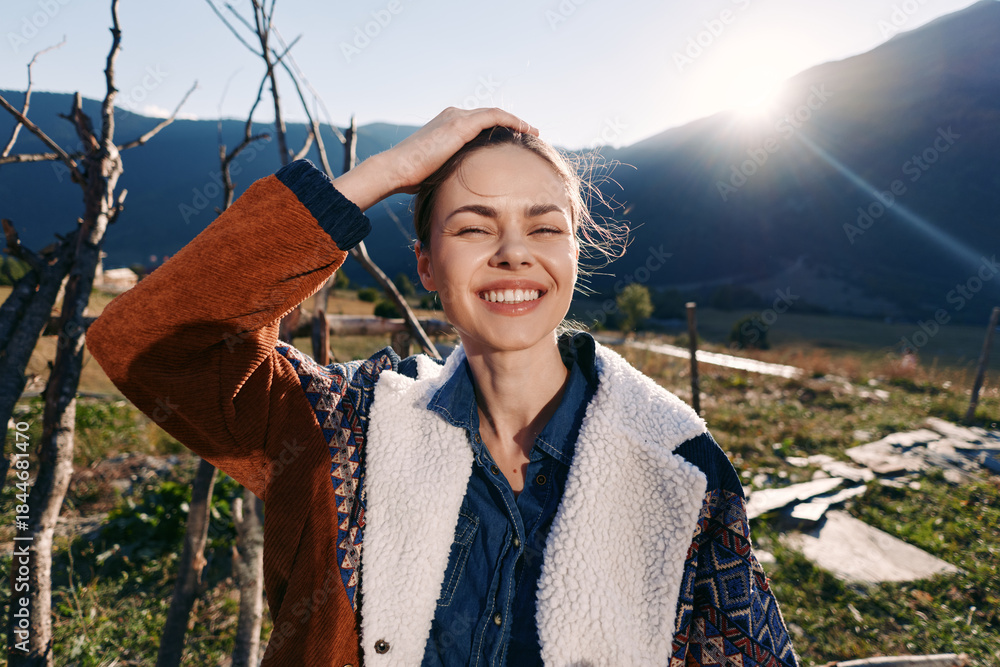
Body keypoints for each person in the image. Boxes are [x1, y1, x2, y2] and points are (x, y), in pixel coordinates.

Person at [87, 107, 798, 666]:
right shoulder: (344, 426)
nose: (513, 251)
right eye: (473, 226)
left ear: (574, 255)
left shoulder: (678, 465)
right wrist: (387, 170)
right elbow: (147, 343)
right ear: (424, 264)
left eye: (544, 227)